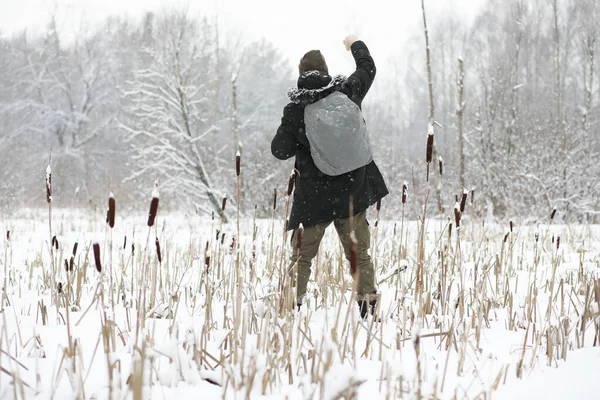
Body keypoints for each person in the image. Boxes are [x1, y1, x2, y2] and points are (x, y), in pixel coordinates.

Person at [271, 35, 389, 319]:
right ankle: (368, 312)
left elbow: (279, 150)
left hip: (313, 201)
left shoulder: (296, 110)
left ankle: (290, 310)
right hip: (352, 195)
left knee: (300, 259)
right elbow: (367, 68)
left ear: (301, 76)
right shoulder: (348, 93)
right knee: (360, 256)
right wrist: (356, 44)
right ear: (326, 73)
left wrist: (300, 136)